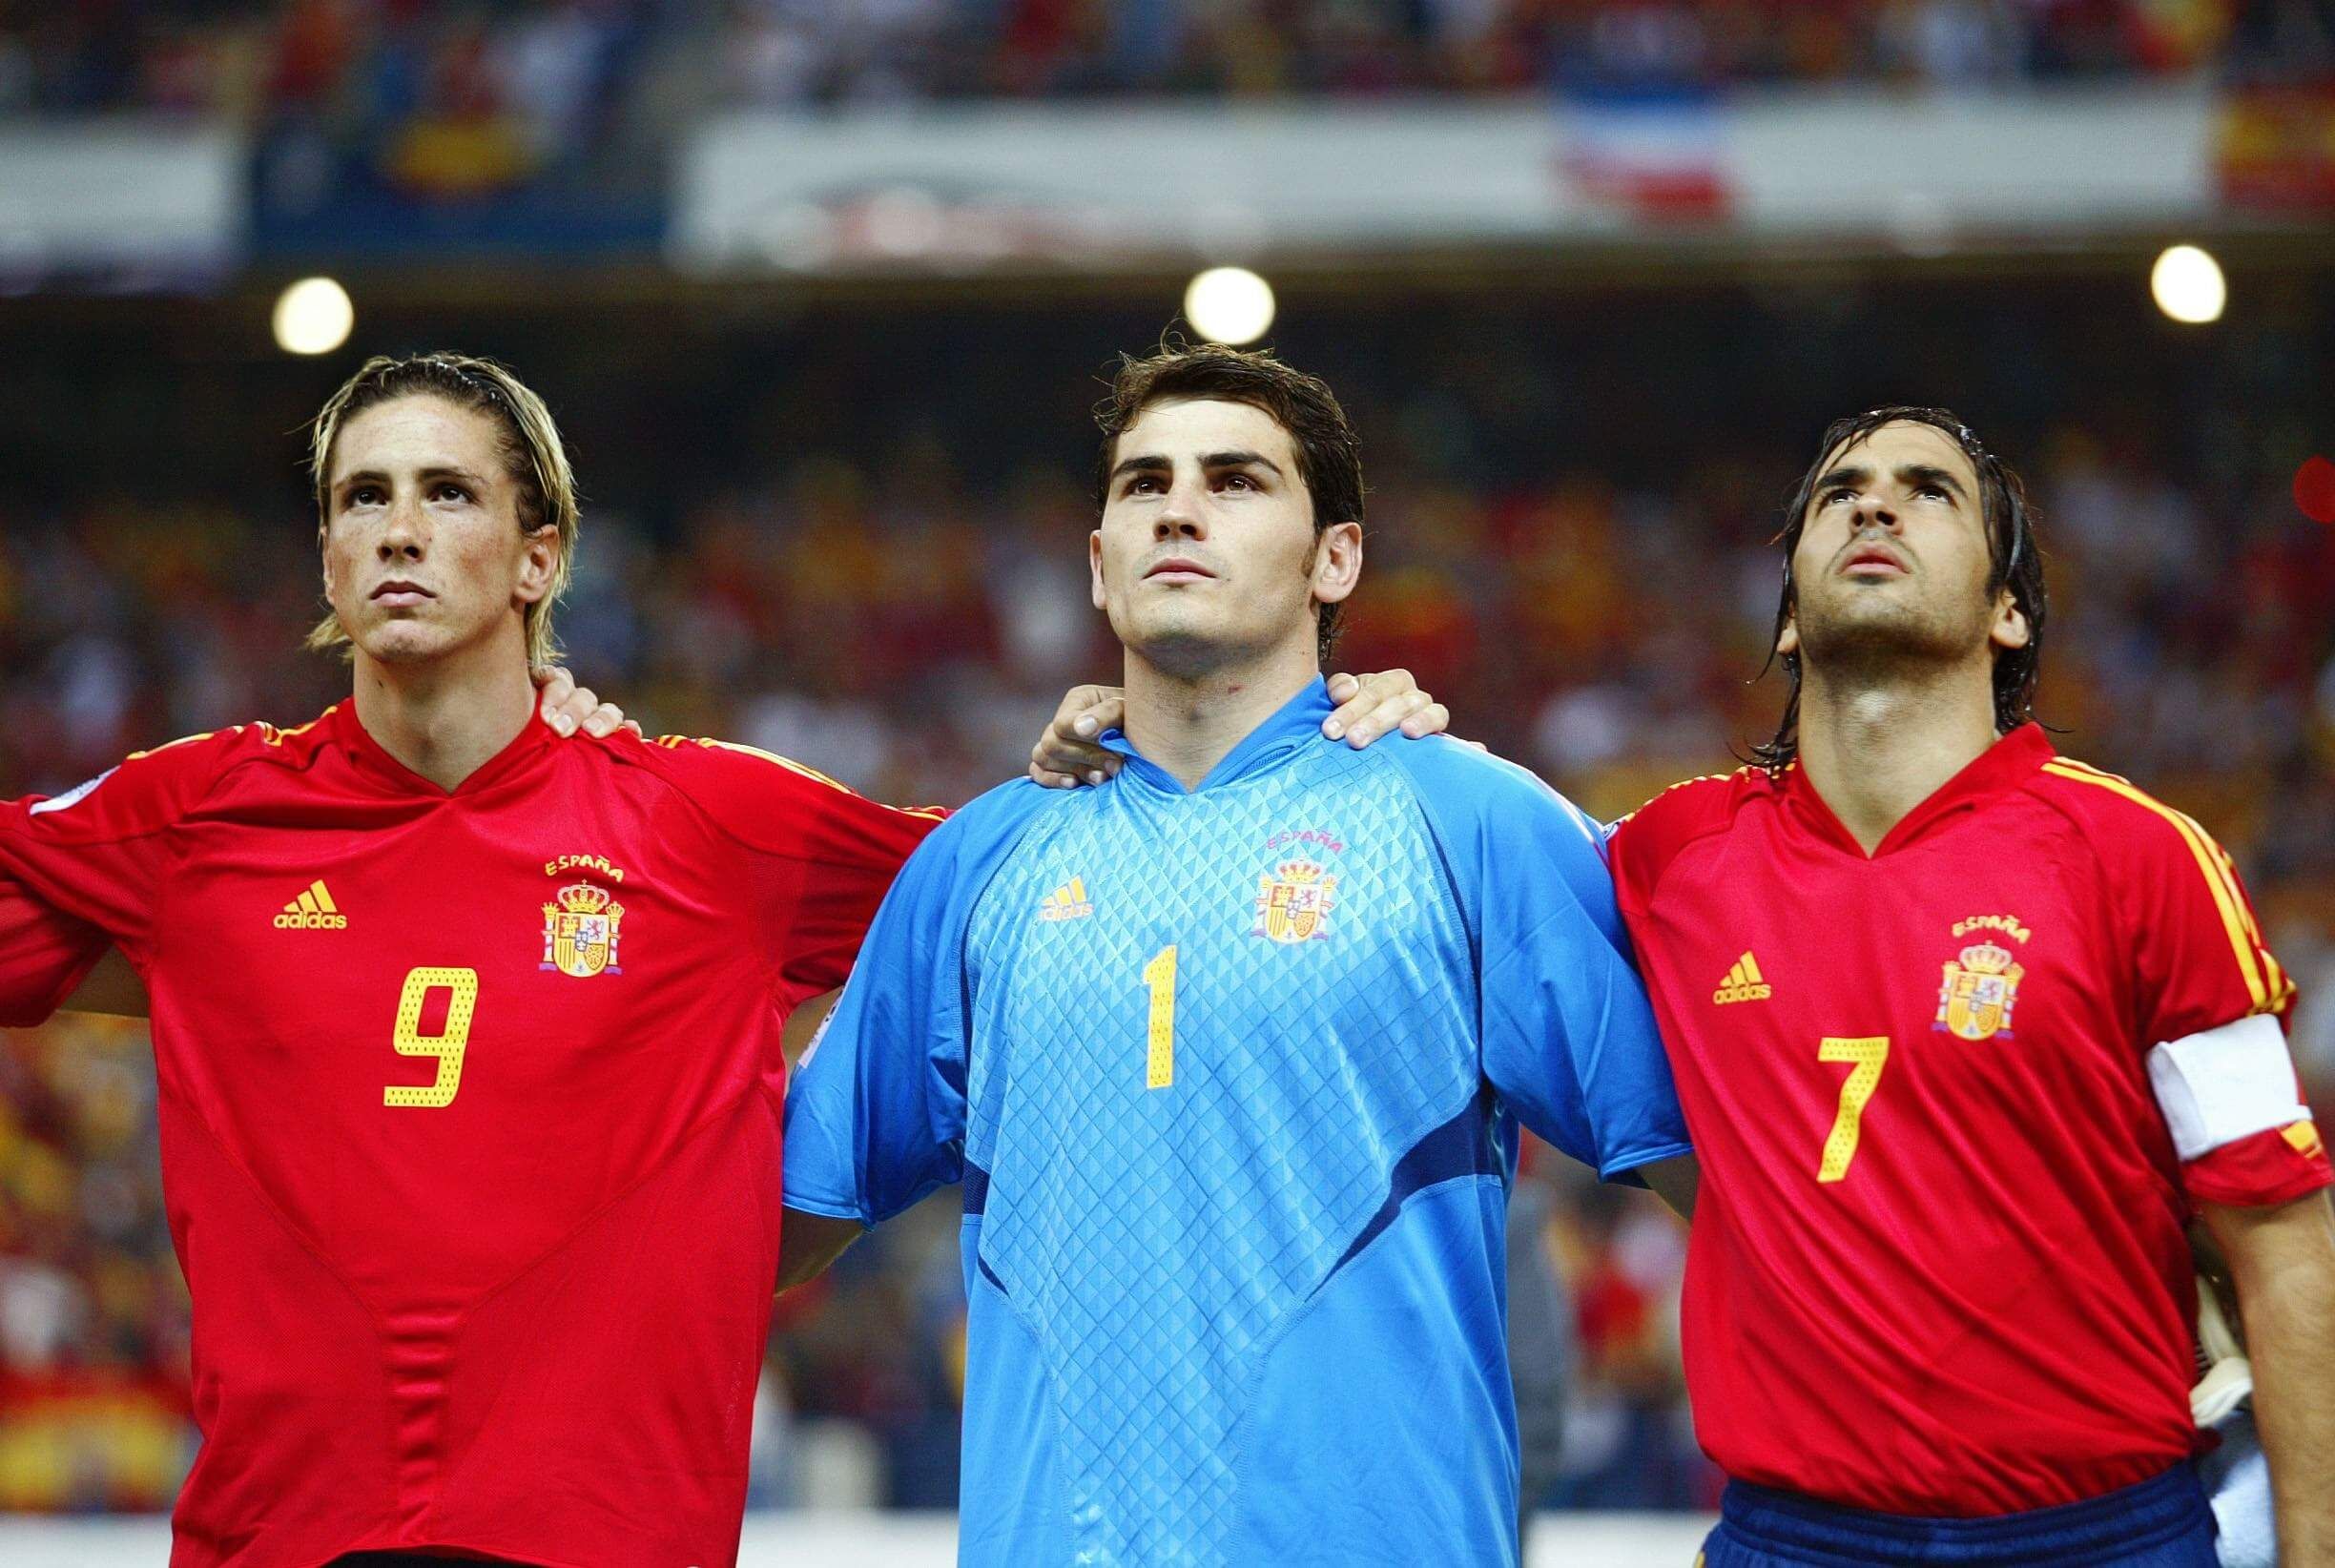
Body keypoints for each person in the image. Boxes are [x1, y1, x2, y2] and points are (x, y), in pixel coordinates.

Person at [0, 351, 1442, 1568]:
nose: (397, 529)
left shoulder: (706, 825)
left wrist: (1317, 732)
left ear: (540, 556)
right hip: (276, 1543)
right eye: (360, 498)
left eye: (448, 494)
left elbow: (1066, 887)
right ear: (322, 551)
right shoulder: (193, 824)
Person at [777, 341, 1693, 1567]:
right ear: (1099, 565)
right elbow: (772, 1223)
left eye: (1237, 480)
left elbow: (1733, 1184)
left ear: (1337, 559)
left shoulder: (1473, 825)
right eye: (1143, 482)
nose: (1180, 507)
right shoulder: (976, 864)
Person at [1602, 408, 2334, 1566]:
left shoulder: (2143, 857)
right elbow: (1477, 875)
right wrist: (1389, 707)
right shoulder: (1664, 854)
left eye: (1930, 491)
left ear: (2009, 612)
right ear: (1789, 615)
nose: (1874, 504)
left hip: (2101, 1537)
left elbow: (2284, 1240)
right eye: (1841, 492)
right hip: (1791, 1540)